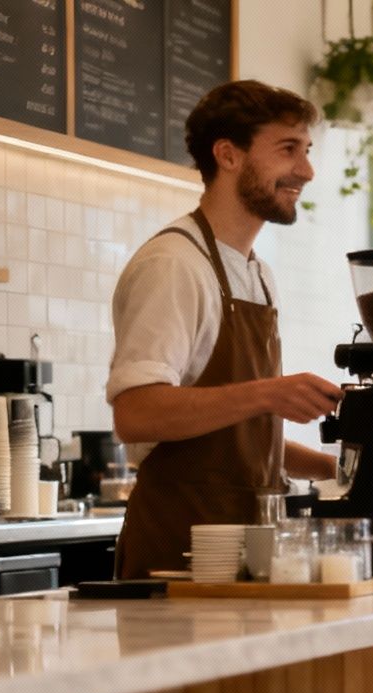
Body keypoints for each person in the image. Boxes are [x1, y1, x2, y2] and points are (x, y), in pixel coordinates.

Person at [107, 80, 345, 579]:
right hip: (178, 562)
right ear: (228, 155)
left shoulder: (257, 273)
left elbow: (238, 442)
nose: (306, 170)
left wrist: (335, 470)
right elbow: (137, 412)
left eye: (306, 151)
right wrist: (267, 394)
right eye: (287, 150)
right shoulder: (175, 264)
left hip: (247, 557)